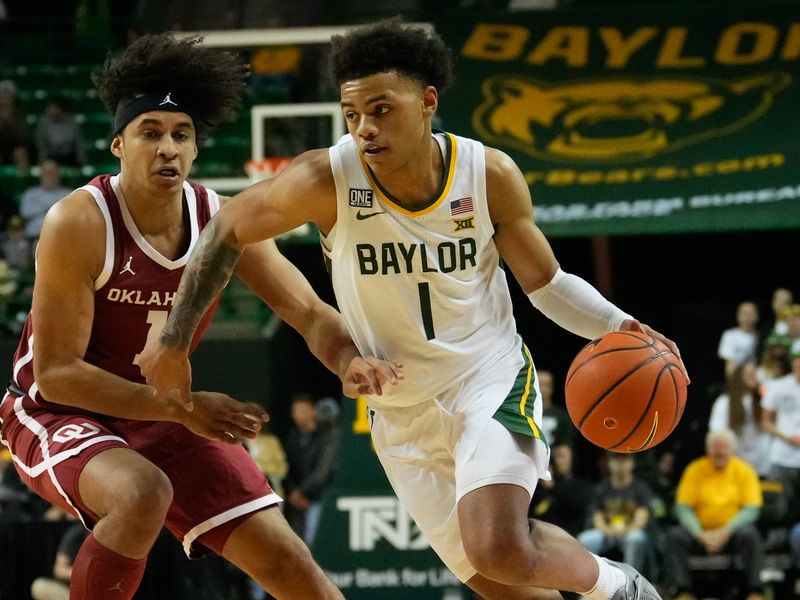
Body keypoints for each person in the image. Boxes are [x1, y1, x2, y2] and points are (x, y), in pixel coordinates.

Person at [141, 20, 689, 600]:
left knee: (500, 546)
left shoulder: (488, 174)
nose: (366, 129)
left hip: (488, 380)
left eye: (381, 109)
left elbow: (546, 284)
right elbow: (225, 228)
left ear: (427, 101)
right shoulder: (325, 178)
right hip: (399, 413)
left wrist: (618, 325)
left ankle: (620, 586)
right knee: (504, 584)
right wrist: (175, 343)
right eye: (352, 115)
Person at [0, 33, 402, 600]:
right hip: (55, 410)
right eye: (150, 133)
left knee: (290, 562)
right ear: (118, 144)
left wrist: (348, 358)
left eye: (181, 135)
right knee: (142, 492)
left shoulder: (220, 220)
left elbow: (308, 310)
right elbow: (58, 373)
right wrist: (179, 408)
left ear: (194, 151)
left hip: (163, 413)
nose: (167, 148)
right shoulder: (81, 221)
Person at [665, 429, 765, 600]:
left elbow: (752, 509)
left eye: (724, 447)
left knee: (751, 535)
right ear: (707, 449)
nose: (720, 451)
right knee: (674, 536)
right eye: (715, 447)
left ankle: (754, 592)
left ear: (732, 449)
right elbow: (683, 507)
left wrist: (725, 532)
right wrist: (700, 534)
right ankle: (682, 591)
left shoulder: (744, 470)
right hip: (701, 533)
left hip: (733, 534)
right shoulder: (695, 469)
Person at [577, 452, 657, 575]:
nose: (620, 464)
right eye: (616, 460)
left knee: (635, 538)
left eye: (624, 460)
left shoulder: (641, 488)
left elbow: (641, 520)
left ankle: (630, 584)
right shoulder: (601, 489)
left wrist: (624, 530)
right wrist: (609, 531)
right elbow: (597, 518)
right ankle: (590, 584)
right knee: (585, 539)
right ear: (609, 463)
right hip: (607, 533)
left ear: (632, 463)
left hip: (630, 532)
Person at [283, 393, 340, 547]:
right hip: (295, 502)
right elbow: (285, 468)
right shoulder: (292, 438)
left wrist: (302, 492)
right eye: (296, 411)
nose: (299, 415)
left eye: (303, 410)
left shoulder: (327, 436)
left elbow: (323, 471)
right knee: (296, 546)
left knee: (314, 547)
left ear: (312, 410)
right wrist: (293, 492)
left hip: (317, 498)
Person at [759, 341, 800, 524]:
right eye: (796, 360)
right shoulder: (779, 386)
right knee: (777, 507)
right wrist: (787, 437)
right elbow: (765, 421)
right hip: (782, 456)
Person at [708, 362, 771, 476]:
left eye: (754, 373)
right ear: (738, 377)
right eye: (748, 373)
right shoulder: (724, 402)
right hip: (735, 461)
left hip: (762, 462)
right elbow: (717, 432)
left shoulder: (764, 400)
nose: (753, 376)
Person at [529, 441, 592, 537]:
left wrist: (552, 487)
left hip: (568, 535)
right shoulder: (539, 487)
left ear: (572, 459)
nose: (557, 461)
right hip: (538, 536)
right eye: (555, 457)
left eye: (561, 456)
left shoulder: (580, 485)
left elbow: (577, 508)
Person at [30, 518, 90, 600]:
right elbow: (59, 570)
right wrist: (85, 573)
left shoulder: (109, 534)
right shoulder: (77, 531)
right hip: (74, 590)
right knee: (39, 586)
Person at [18, 159, 72, 246]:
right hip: (34, 237)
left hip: (62, 238)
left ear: (58, 173)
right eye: (46, 172)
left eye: (52, 172)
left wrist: (42, 209)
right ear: (40, 174)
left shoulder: (70, 194)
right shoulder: (30, 194)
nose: (49, 175)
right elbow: (24, 213)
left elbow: (72, 217)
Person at [34, 97, 87, 167]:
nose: (52, 112)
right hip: (51, 154)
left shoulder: (71, 122)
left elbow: (78, 142)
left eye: (55, 109)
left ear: (60, 109)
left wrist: (82, 161)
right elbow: (40, 142)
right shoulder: (44, 122)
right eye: (50, 109)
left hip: (68, 154)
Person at [717, 300, 760, 378]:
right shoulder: (729, 335)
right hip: (738, 379)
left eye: (751, 314)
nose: (748, 317)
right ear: (738, 316)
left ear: (757, 316)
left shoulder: (762, 336)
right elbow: (729, 365)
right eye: (745, 314)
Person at [538, 368, 575, 448]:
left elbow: (566, 445)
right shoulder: (524, 413)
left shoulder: (562, 416)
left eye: (547, 385)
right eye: (540, 384)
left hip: (552, 459)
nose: (544, 389)